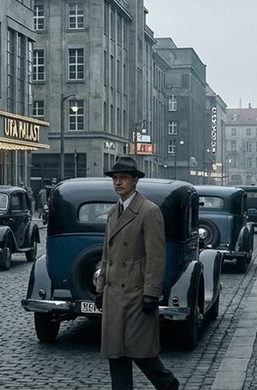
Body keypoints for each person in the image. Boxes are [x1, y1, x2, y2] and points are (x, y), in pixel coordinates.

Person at [94, 156, 179, 390]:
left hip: (135, 293)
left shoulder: (148, 211)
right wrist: (101, 288)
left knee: (141, 352)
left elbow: (156, 256)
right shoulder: (113, 212)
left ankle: (167, 383)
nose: (118, 183)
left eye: (123, 178)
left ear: (135, 181)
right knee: (116, 354)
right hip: (114, 294)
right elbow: (106, 254)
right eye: (115, 178)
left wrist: (151, 293)